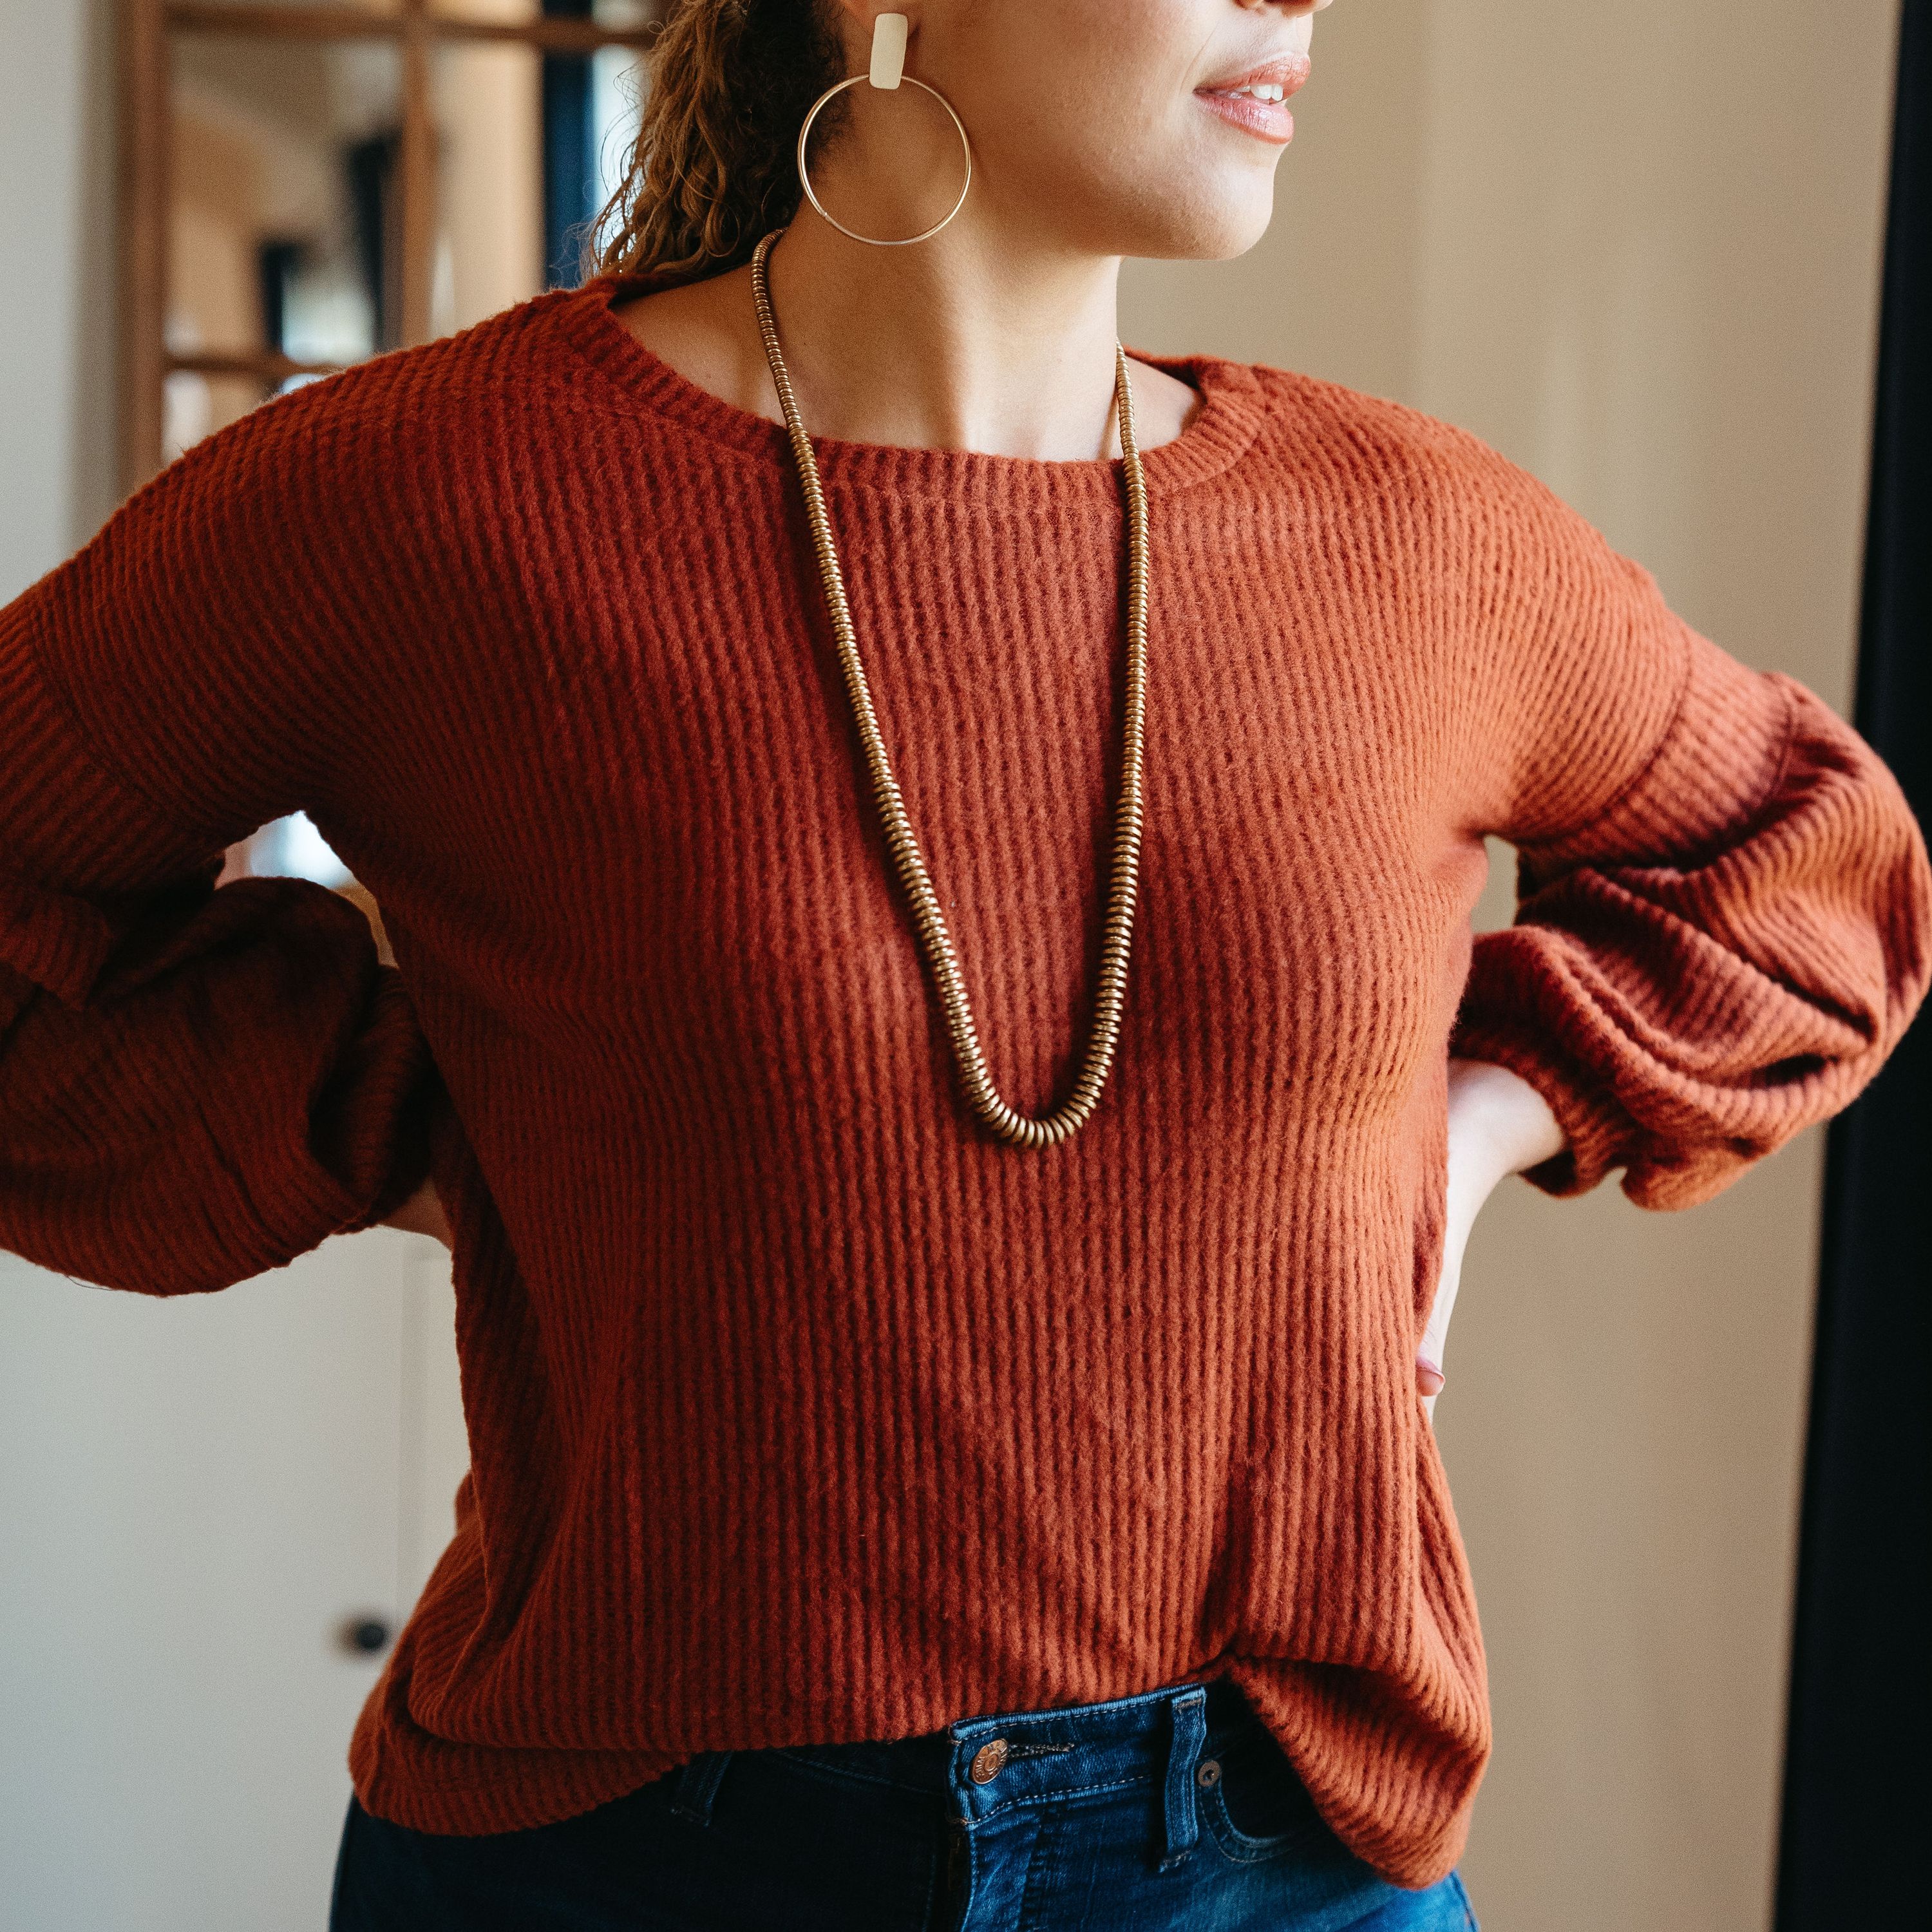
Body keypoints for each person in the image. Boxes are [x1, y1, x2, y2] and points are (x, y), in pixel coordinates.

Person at [1, 0, 1927, 1926]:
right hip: (626, 1855)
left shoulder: (1418, 545)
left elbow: (1817, 875)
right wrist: (434, 1122)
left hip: (1273, 1853)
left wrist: (1471, 1129)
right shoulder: (423, 505)